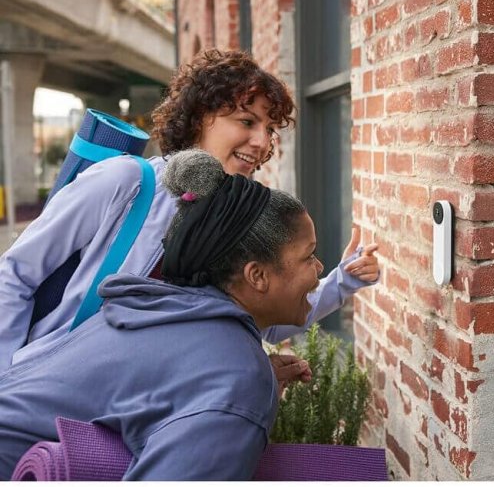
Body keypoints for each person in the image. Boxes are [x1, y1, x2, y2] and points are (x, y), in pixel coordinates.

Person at [0, 49, 379, 371]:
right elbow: (17, 274)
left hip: (138, 412)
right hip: (52, 388)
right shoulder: (126, 182)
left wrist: (342, 282)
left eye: (270, 129)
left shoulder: (236, 221)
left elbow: (263, 318)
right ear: (200, 118)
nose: (263, 143)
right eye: (247, 121)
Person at [0, 150, 331, 480]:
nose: (320, 270)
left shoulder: (160, 307)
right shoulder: (235, 376)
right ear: (257, 276)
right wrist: (240, 396)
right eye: (309, 256)